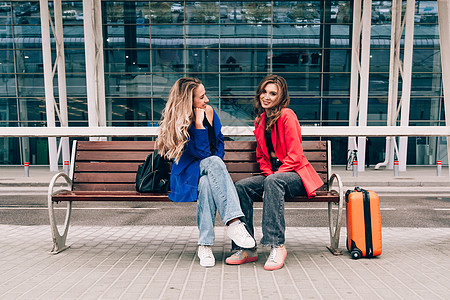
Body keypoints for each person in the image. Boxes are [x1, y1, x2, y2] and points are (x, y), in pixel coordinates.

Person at [225, 75, 324, 271]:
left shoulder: (287, 115)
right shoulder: (260, 120)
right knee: (241, 187)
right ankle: (246, 248)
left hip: (296, 175)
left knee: (273, 182)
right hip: (274, 177)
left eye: (272, 93)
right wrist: (269, 175)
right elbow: (262, 156)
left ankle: (276, 245)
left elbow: (295, 156)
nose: (266, 97)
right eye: (264, 92)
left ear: (281, 97)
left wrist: (271, 178)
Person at [156, 77, 255, 267]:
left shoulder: (209, 111)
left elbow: (219, 142)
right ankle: (234, 222)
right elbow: (201, 154)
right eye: (201, 97)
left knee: (207, 183)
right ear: (188, 101)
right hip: (187, 174)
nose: (206, 100)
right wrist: (199, 126)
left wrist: (214, 161)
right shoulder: (178, 123)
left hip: (209, 171)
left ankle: (205, 245)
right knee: (212, 163)